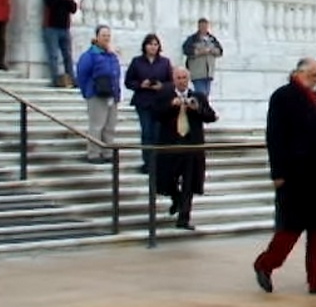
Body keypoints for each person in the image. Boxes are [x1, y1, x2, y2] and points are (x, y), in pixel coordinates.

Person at [253, 58, 316, 295]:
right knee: (290, 229)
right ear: (301, 72)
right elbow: (275, 136)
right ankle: (265, 264)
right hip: (295, 174)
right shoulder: (283, 96)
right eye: (314, 74)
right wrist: (278, 172)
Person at [152, 67, 218, 230]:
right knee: (167, 179)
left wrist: (197, 109)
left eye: (184, 78)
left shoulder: (198, 96)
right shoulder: (165, 95)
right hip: (171, 144)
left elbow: (211, 116)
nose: (181, 81)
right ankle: (176, 199)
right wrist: (171, 105)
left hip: (191, 146)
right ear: (173, 80)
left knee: (189, 182)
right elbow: (156, 115)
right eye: (178, 78)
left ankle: (184, 218)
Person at [125, 33, 172, 174]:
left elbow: (171, 82)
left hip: (159, 103)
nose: (153, 47)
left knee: (158, 133)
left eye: (155, 44)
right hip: (143, 101)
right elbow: (128, 81)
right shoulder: (137, 62)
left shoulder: (165, 62)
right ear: (145, 46)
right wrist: (141, 84)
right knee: (147, 132)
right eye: (150, 44)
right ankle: (147, 162)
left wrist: (161, 86)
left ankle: (157, 162)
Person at [76, 25, 120, 164]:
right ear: (97, 37)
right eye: (103, 35)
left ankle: (107, 152)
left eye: (108, 35)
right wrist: (88, 91)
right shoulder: (89, 55)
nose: (106, 38)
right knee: (96, 126)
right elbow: (82, 75)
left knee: (110, 126)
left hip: (111, 95)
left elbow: (117, 75)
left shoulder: (112, 55)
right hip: (96, 94)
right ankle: (93, 153)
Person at [43, 0, 77, 88]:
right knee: (53, 55)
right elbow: (52, 3)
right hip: (51, 28)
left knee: (67, 55)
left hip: (65, 28)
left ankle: (72, 78)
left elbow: (73, 9)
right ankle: (55, 79)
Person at [182, 17, 222, 96]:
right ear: (198, 26)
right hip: (197, 73)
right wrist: (200, 52)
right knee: (201, 95)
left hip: (209, 73)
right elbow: (186, 50)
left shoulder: (212, 39)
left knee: (206, 95)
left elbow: (220, 50)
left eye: (205, 26)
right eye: (202, 26)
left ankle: (203, 108)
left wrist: (212, 51)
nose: (204, 28)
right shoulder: (192, 39)